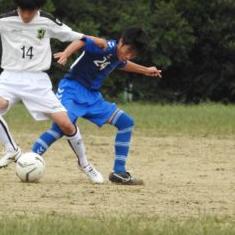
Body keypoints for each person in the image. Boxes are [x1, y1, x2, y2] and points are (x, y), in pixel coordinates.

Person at [0, 0, 106, 183]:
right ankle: (12, 149)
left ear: (38, 8)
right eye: (22, 10)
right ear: (17, 6)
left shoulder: (47, 21)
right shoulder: (6, 19)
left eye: (30, 11)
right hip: (10, 77)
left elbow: (71, 34)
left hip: (37, 81)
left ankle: (84, 163)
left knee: (66, 124)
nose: (25, 15)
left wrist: (92, 38)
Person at [32, 25, 162, 185]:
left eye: (133, 55)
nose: (128, 56)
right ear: (121, 41)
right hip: (71, 90)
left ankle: (119, 172)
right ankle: (30, 159)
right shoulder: (104, 45)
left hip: (92, 97)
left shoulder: (119, 56)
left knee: (126, 123)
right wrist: (66, 53)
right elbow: (82, 40)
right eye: (127, 51)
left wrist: (146, 70)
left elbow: (123, 63)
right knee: (62, 126)